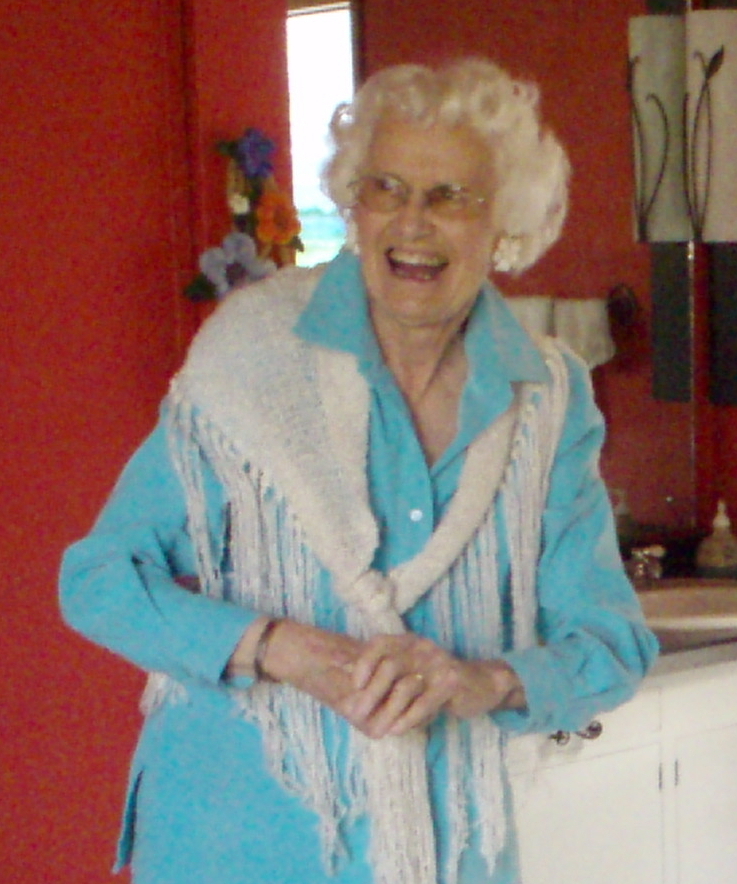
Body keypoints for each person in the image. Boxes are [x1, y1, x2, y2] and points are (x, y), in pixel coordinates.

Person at [60, 57, 659, 884]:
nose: (412, 223)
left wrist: (478, 679)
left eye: (451, 196)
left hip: (448, 849)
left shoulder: (546, 401)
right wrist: (277, 647)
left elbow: (610, 644)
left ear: (505, 227)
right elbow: (97, 579)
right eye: (386, 187)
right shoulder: (251, 358)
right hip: (232, 840)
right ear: (353, 204)